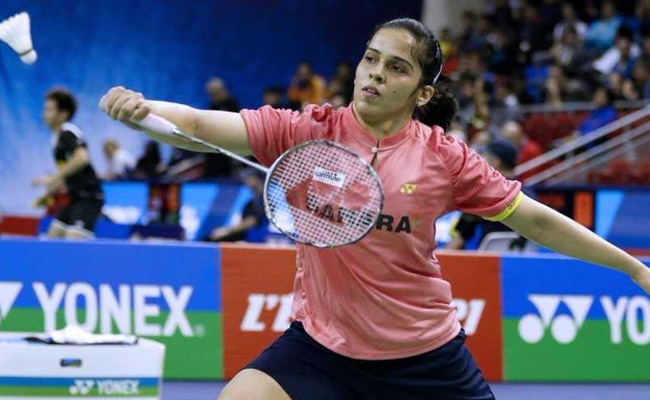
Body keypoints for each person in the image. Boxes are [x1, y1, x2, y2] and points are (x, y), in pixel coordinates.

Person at [100, 18, 650, 400]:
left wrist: (632, 267)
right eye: (370, 59)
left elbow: (533, 218)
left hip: (423, 356)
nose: (375, 74)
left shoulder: (443, 158)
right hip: (322, 348)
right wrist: (143, 110)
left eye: (396, 68)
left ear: (422, 93)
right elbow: (199, 126)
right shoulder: (307, 130)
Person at [33, 88, 104, 239]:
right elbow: (67, 173)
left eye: (49, 109)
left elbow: (82, 158)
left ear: (63, 114)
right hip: (74, 197)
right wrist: (48, 194)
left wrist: (52, 178)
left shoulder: (68, 131)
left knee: (73, 245)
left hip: (89, 197)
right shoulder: (56, 138)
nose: (44, 113)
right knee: (53, 238)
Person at [446, 139, 524, 250]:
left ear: (496, 162)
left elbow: (456, 243)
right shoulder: (529, 195)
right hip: (520, 259)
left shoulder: (482, 195)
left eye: (484, 156)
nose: (479, 161)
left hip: (486, 259)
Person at [205, 169, 267, 243]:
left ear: (257, 179)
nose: (246, 182)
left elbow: (253, 220)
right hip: (249, 237)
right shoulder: (251, 201)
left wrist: (227, 231)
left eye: (249, 178)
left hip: (260, 240)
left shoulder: (265, 199)